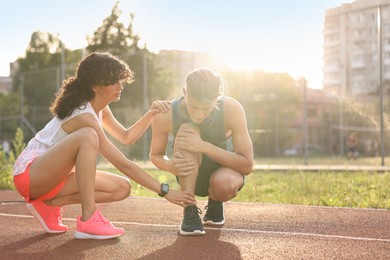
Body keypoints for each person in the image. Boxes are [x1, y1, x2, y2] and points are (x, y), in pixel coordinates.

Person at [13, 52, 195, 240]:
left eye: (120, 80)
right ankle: (88, 219)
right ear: (95, 86)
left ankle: (48, 204)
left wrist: (151, 113)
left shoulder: (100, 109)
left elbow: (126, 137)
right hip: (31, 174)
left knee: (122, 188)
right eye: (112, 81)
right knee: (88, 136)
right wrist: (165, 191)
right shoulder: (84, 115)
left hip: (55, 180)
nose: (120, 86)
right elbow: (122, 163)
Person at [150, 68, 253, 235]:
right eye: (194, 107)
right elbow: (155, 155)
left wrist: (203, 146)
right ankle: (190, 210)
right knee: (187, 130)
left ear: (217, 99)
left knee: (224, 182)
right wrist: (170, 165)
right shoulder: (165, 114)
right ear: (185, 92)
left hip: (223, 172)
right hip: (188, 172)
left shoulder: (232, 109)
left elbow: (247, 165)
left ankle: (215, 202)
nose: (198, 114)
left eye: (206, 109)